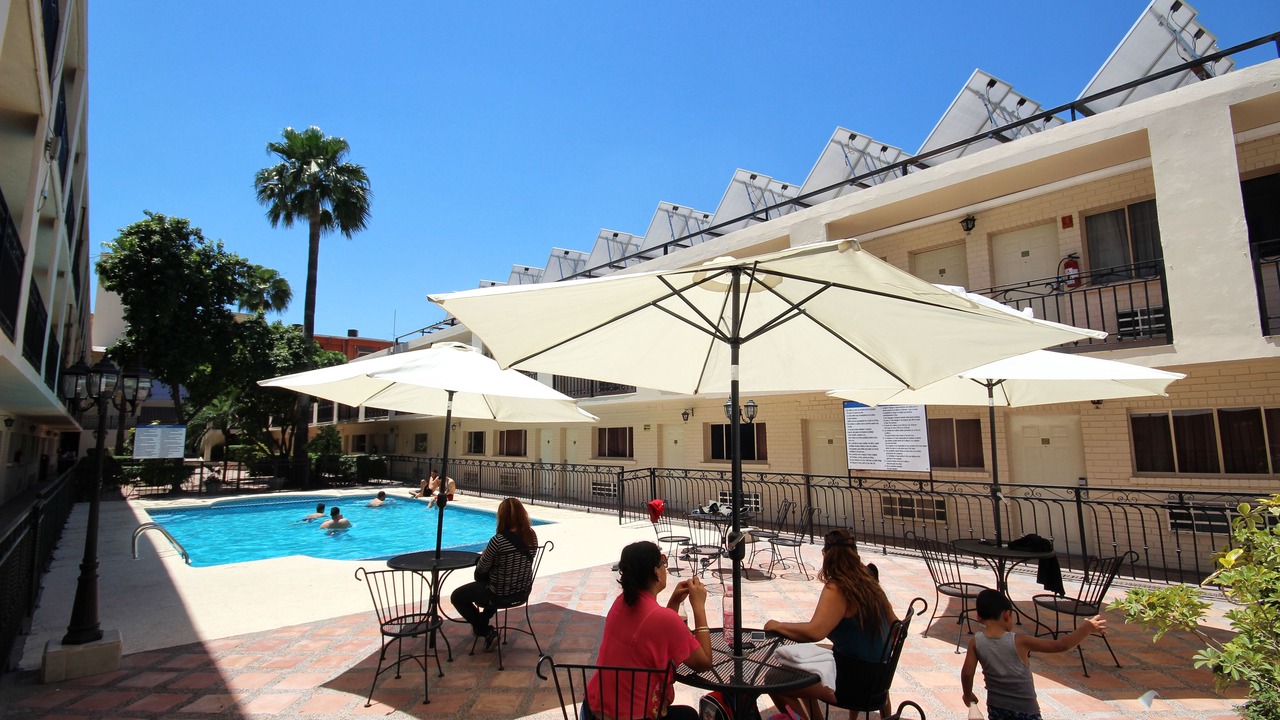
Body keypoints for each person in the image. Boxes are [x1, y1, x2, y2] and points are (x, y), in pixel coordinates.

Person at [763, 529, 895, 720]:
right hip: (879, 678)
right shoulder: (870, 582)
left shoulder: (839, 587)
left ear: (826, 555)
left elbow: (815, 631)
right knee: (808, 660)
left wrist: (778, 625)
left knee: (775, 682)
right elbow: (895, 624)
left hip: (854, 685)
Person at [583, 540, 713, 720]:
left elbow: (656, 633)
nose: (665, 568)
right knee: (689, 716)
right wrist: (699, 607)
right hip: (628, 716)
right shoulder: (663, 619)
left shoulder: (621, 602)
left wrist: (674, 602)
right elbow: (704, 662)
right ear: (655, 572)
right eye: (663, 563)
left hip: (592, 710)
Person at [961, 589, 1107, 720]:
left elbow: (967, 673)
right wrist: (1087, 628)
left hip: (996, 707)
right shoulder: (1020, 641)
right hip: (1025, 710)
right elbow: (1061, 645)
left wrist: (968, 695)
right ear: (1007, 615)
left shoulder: (976, 642)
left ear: (979, 618)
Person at [450, 498, 538, 650]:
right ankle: (483, 622)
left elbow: (481, 571)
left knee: (457, 596)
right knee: (496, 584)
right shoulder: (532, 536)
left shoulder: (498, 540)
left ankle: (484, 630)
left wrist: (484, 556)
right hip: (522, 590)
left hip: (498, 593)